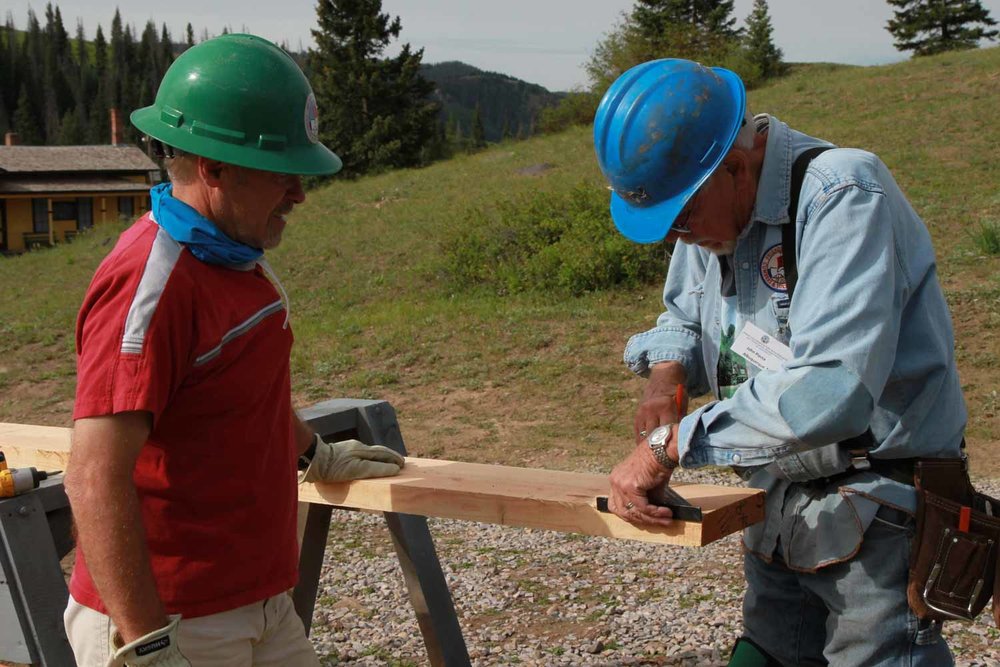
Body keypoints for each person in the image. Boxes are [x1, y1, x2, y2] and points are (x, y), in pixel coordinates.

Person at [595, 59, 965, 665]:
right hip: (780, 498)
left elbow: (832, 392)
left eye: (681, 221)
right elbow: (683, 320)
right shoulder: (710, 217)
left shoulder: (843, 194)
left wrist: (670, 444)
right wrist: (666, 373)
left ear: (736, 167)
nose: (678, 239)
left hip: (877, 506)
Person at [63, 34, 405, 667]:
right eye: (284, 174)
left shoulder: (234, 258)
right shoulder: (153, 285)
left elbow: (243, 393)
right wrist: (145, 646)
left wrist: (315, 453)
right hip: (174, 619)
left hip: (259, 600)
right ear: (213, 169)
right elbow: (93, 474)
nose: (300, 194)